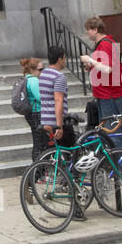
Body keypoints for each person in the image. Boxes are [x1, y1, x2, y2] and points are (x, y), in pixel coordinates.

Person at [38, 44, 85, 219]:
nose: (65, 61)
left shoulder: (43, 75)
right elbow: (58, 100)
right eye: (64, 58)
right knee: (76, 159)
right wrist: (59, 125)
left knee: (65, 159)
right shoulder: (59, 77)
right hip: (58, 123)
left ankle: (65, 182)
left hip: (46, 121)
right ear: (60, 59)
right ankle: (76, 204)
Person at [80, 16, 122, 149]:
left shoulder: (105, 44)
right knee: (109, 132)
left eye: (88, 30)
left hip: (110, 95)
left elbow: (108, 68)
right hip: (106, 95)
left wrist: (90, 60)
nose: (87, 33)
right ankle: (116, 165)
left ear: (95, 29)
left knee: (114, 133)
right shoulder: (103, 44)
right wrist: (91, 65)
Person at [19, 55, 44, 161]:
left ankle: (37, 169)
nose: (42, 72)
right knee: (40, 142)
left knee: (38, 140)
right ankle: (37, 171)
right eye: (40, 69)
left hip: (31, 113)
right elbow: (40, 98)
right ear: (33, 69)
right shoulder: (33, 80)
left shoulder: (27, 79)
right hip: (36, 113)